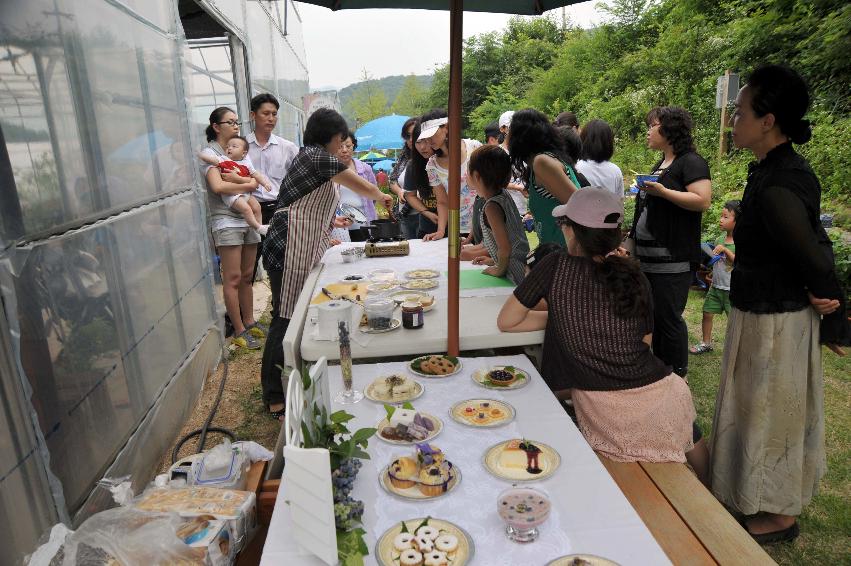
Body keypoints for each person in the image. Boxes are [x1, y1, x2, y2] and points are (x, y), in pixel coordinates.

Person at [709, 65, 850, 544]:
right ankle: (749, 491)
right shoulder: (774, 170)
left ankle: (778, 516)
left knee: (772, 416)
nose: (734, 119)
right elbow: (807, 244)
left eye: (741, 111)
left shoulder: (779, 183)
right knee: (756, 409)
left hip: (777, 323)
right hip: (764, 312)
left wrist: (833, 308)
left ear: (767, 120)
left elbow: (813, 251)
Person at [497, 188, 708, 478]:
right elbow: (645, 343)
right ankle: (711, 486)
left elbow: (507, 320)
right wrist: (567, 315)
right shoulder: (635, 274)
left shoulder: (555, 266)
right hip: (664, 394)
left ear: (571, 232)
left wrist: (566, 314)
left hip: (606, 412)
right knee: (690, 435)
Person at [260, 109, 393, 419]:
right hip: (289, 244)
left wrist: (332, 219)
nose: (342, 146)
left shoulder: (312, 158)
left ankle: (295, 378)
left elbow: (307, 201)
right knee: (285, 316)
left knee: (293, 314)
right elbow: (357, 183)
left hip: (302, 243)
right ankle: (274, 394)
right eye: (341, 140)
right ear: (334, 138)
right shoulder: (316, 157)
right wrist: (379, 195)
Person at [628, 106, 711, 379]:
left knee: (669, 318)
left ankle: (678, 375)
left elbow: (702, 200)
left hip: (672, 258)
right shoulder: (661, 163)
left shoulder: (691, 162)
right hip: (649, 258)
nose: (648, 131)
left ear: (669, 129)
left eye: (652, 125)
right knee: (653, 317)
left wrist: (663, 191)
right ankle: (660, 371)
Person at [200, 107, 264, 350]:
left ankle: (249, 322)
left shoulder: (240, 151)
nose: (236, 126)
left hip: (247, 218)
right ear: (216, 127)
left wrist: (243, 182)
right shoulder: (212, 153)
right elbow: (217, 187)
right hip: (226, 220)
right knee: (233, 277)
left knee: (248, 275)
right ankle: (238, 329)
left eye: (237, 122)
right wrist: (246, 183)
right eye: (230, 122)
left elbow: (254, 181)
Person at [247, 93, 298, 296]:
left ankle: (281, 307)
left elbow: (298, 178)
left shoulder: (287, 148)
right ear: (253, 115)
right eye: (265, 113)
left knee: (281, 263)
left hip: (278, 210)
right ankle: (244, 319)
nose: (270, 118)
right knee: (248, 267)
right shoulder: (241, 147)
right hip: (251, 211)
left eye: (274, 114)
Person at [508, 109, 580, 246]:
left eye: (511, 130)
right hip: (556, 251)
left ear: (521, 137)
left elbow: (578, 205)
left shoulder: (542, 162)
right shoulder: (539, 163)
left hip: (568, 253)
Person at [467, 145, 529, 284]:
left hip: (514, 270)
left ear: (476, 175)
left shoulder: (491, 207)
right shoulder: (503, 194)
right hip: (519, 262)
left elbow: (505, 248)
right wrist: (493, 260)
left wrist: (498, 269)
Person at [419, 109, 482, 240]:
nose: (428, 140)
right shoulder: (432, 165)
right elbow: (442, 201)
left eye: (432, 134)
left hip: (484, 224)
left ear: (446, 127)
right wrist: (441, 231)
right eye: (425, 137)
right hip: (457, 229)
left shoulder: (474, 148)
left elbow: (490, 188)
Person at [690, 200, 740, 354]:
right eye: (721, 216)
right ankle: (706, 343)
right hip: (716, 287)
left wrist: (725, 250)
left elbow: (738, 262)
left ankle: (738, 348)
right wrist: (710, 271)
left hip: (732, 290)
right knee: (707, 313)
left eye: (725, 217)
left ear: (738, 221)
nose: (721, 220)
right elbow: (718, 262)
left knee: (734, 322)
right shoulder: (720, 239)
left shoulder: (739, 242)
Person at [197, 136, 273, 235]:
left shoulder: (246, 163)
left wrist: (265, 183)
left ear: (243, 153)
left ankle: (260, 227)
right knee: (246, 209)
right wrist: (200, 154)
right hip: (232, 195)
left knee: (257, 207)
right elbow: (212, 160)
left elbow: (256, 175)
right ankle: (258, 227)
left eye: (234, 146)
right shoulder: (223, 159)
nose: (229, 148)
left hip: (246, 193)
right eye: (228, 146)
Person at [336, 133, 378, 242]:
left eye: (348, 146)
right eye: (340, 146)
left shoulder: (365, 169)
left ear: (353, 146)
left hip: (363, 226)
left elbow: (373, 195)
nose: (344, 150)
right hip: (338, 228)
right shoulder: (329, 171)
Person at [403, 119, 440, 238]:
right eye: (418, 142)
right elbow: (410, 195)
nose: (422, 147)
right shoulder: (412, 166)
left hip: (455, 225)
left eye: (425, 141)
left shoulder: (446, 161)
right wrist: (426, 212)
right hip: (427, 227)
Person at [577, 119, 625, 196]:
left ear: (583, 140)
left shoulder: (576, 168)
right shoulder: (615, 171)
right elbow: (619, 202)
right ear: (609, 143)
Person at [389, 117, 419, 239]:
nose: (411, 140)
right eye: (407, 136)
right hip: (405, 214)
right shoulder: (404, 156)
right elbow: (392, 180)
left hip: (424, 214)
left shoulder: (431, 158)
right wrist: (400, 191)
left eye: (415, 135)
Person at [498, 110, 529, 217]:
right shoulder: (499, 152)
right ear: (502, 129)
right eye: (512, 127)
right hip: (509, 206)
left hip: (528, 207)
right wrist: (518, 187)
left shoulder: (525, 151)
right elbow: (496, 181)